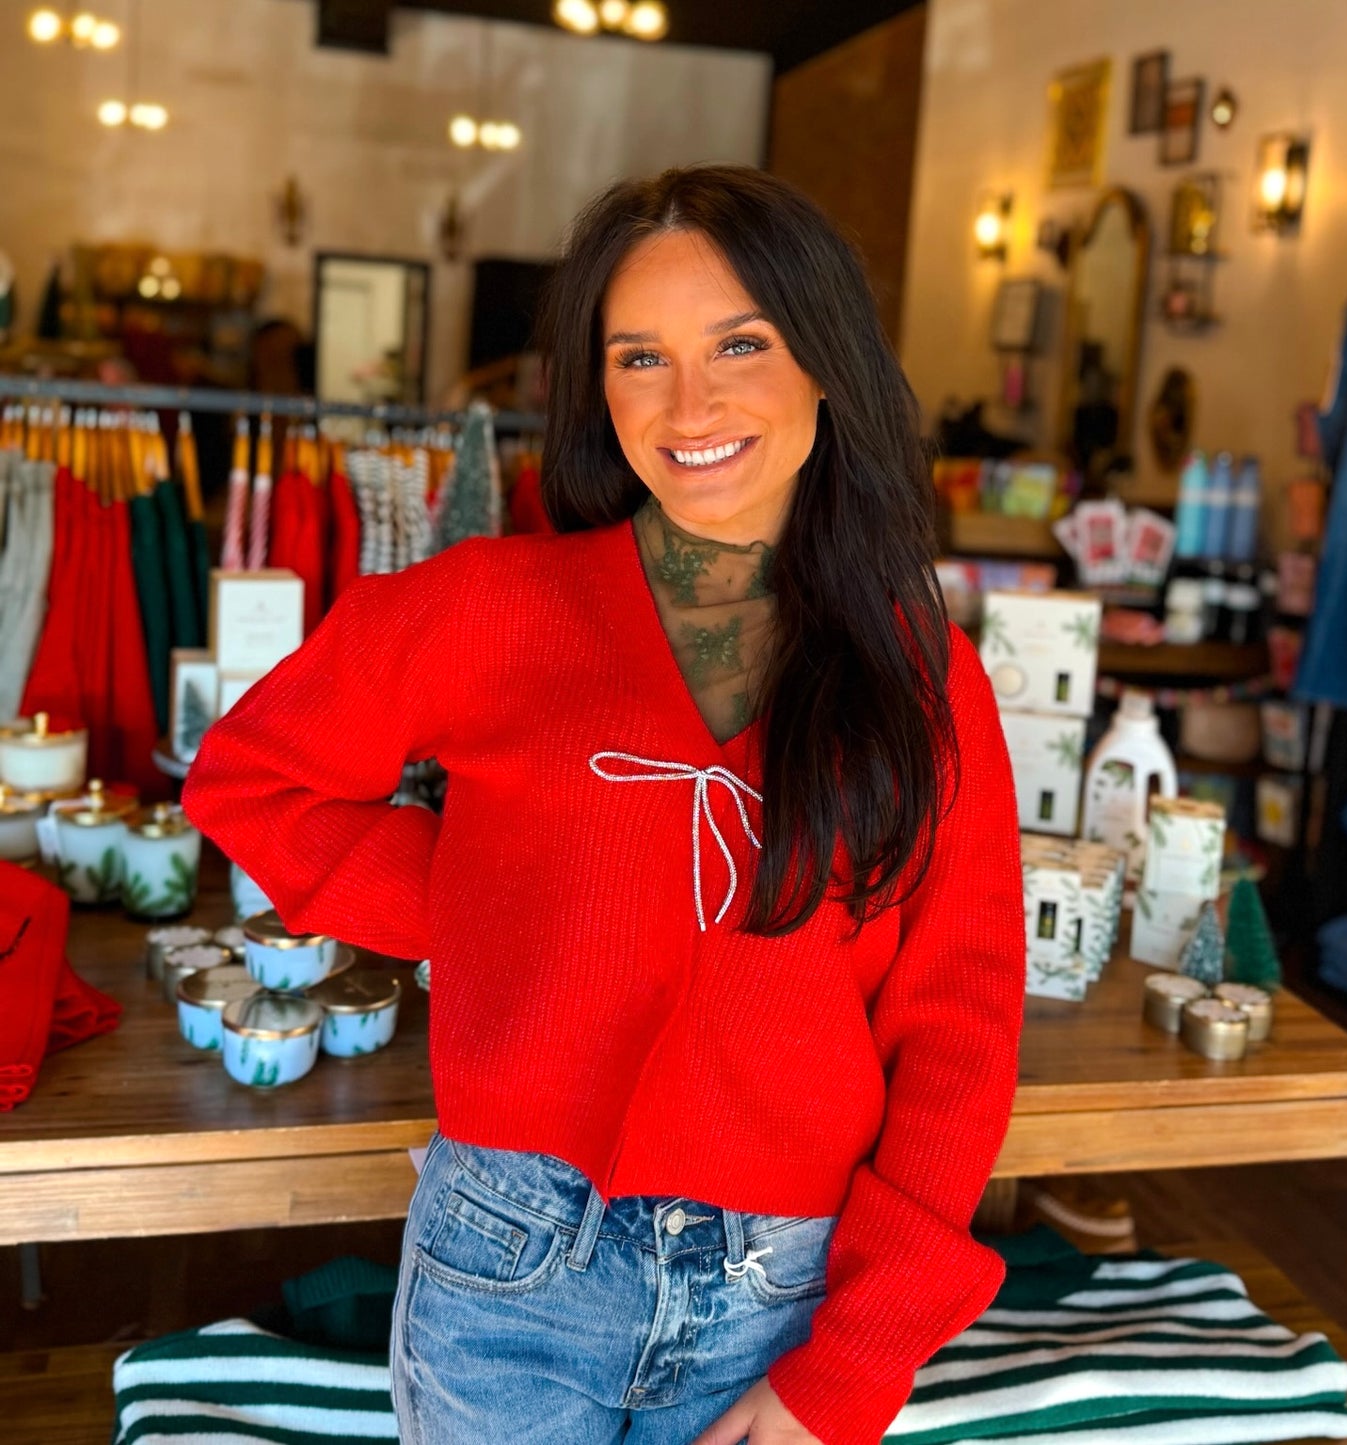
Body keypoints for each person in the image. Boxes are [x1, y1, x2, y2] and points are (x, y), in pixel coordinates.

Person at [181, 164, 1025, 1445]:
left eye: (739, 341)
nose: (689, 402)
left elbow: (959, 1036)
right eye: (640, 358)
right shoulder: (491, 606)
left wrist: (850, 1364)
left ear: (823, 360)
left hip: (781, 1290)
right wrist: (487, 905)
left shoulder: (920, 672)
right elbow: (252, 774)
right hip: (506, 1264)